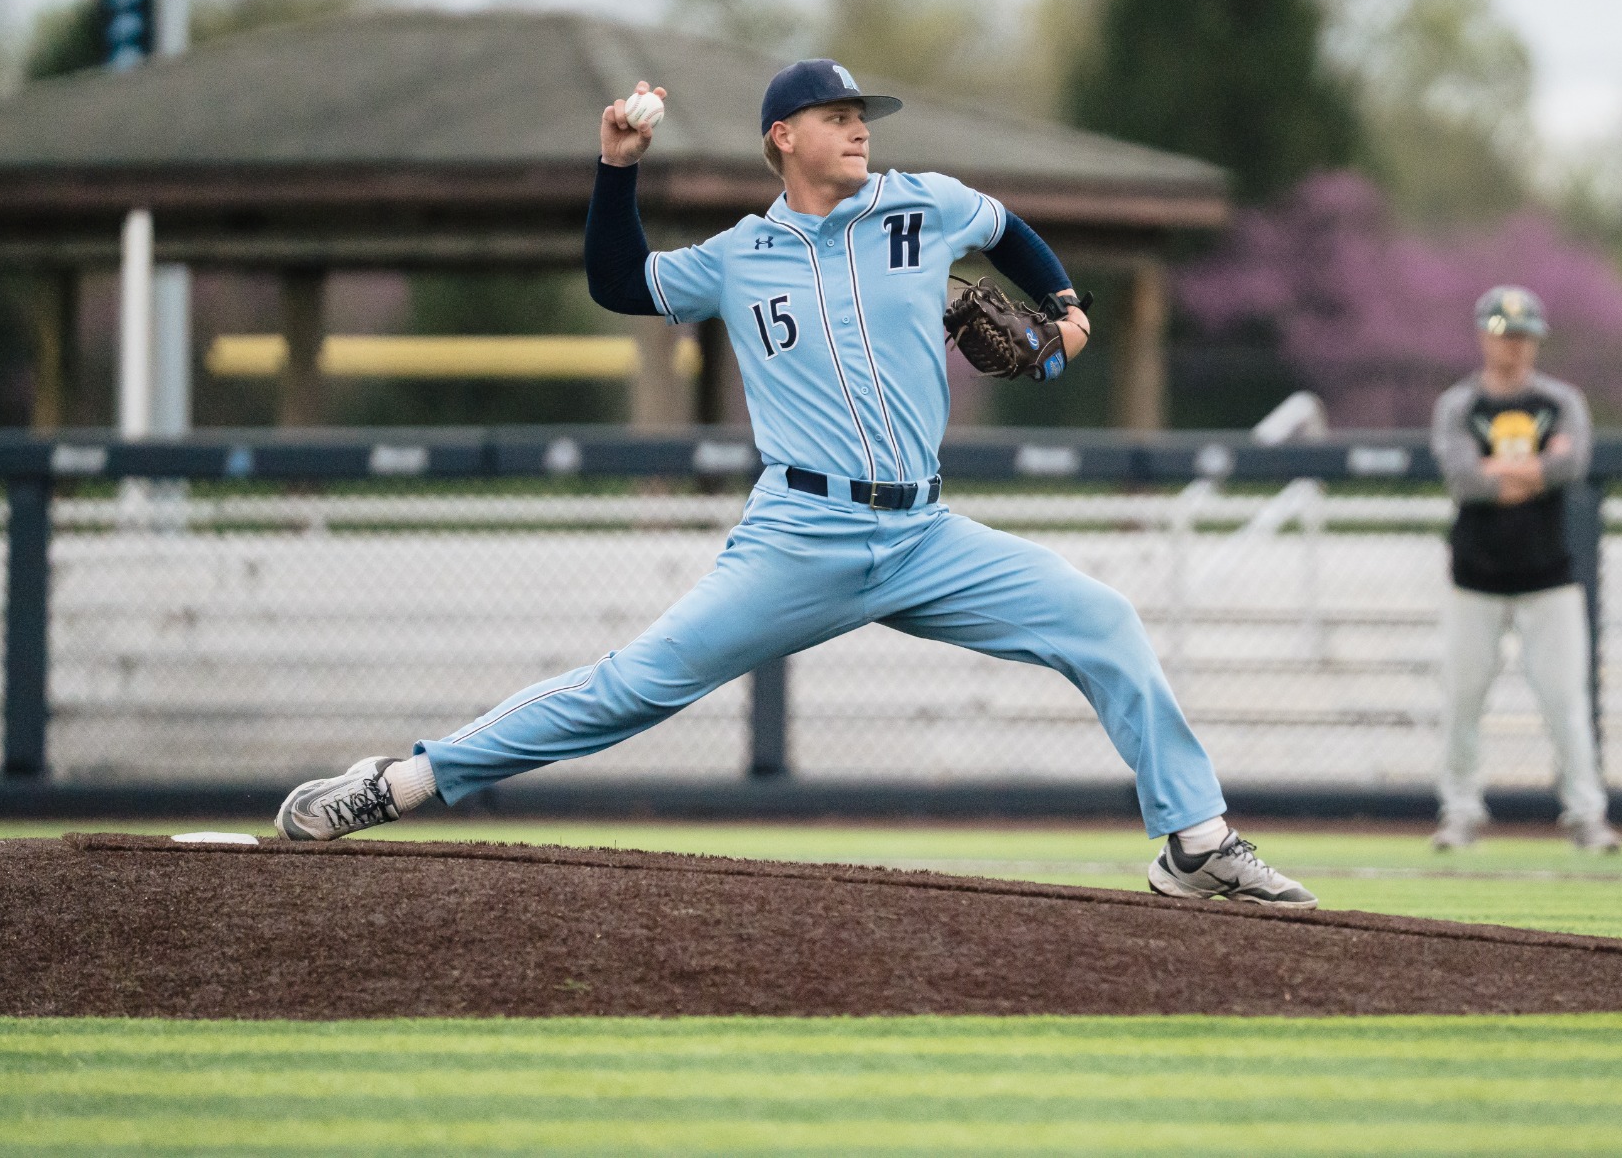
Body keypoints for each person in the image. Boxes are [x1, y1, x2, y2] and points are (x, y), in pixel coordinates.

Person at [274, 59, 1318, 906]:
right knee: (629, 688)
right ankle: (399, 781)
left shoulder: (924, 206)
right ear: (783, 137)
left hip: (925, 535)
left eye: (863, 113)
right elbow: (614, 280)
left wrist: (1067, 309)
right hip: (801, 535)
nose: (860, 127)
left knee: (1101, 621)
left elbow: (1005, 229)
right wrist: (615, 168)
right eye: (836, 114)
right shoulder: (739, 256)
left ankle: (1194, 845)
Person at [1427, 286, 1622, 853]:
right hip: (1475, 575)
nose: (1512, 347)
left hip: (1548, 574)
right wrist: (1532, 469)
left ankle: (1587, 815)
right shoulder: (1458, 405)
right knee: (1463, 699)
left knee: (1566, 700)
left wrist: (1503, 472)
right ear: (1483, 336)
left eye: (1522, 336)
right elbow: (1466, 480)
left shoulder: (1561, 401)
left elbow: (1572, 465)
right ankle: (1460, 812)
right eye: (1502, 334)